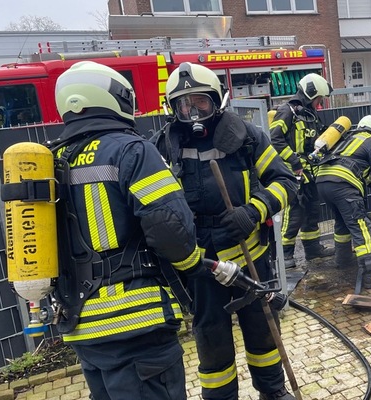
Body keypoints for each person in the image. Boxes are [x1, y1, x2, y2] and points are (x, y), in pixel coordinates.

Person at [48, 61, 208, 399]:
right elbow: (172, 229)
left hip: (83, 329)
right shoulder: (131, 150)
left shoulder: (52, 160)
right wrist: (193, 265)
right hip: (136, 325)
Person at [152, 62, 298, 400]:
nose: (193, 112)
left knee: (262, 327)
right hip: (200, 265)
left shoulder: (247, 138)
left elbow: (286, 182)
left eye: (200, 101)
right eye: (183, 104)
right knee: (211, 339)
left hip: (250, 256)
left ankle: (272, 390)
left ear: (218, 100)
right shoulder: (162, 148)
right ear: (171, 109)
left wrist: (253, 211)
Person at [315, 115, 371, 290]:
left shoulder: (346, 140)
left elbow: (353, 168)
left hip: (323, 182)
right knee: (362, 227)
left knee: (342, 222)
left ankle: (343, 260)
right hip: (343, 186)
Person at [269, 73, 335, 268]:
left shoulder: (309, 113)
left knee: (312, 208)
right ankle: (285, 255)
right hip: (293, 172)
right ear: (310, 93)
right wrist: (295, 162)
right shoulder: (287, 111)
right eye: (318, 99)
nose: (319, 103)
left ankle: (313, 249)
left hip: (310, 171)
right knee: (295, 212)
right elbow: (275, 139)